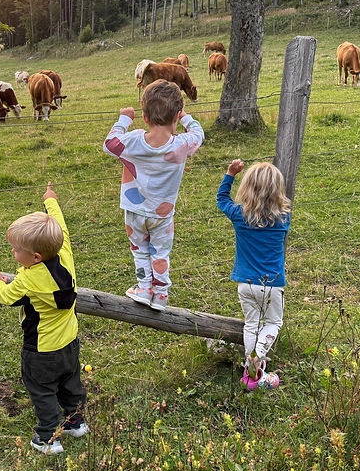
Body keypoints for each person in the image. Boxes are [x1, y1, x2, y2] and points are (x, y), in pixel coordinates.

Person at [0, 183, 87, 455]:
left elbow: (6, 296)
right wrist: (51, 201)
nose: (13, 254)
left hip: (41, 350)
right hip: (69, 342)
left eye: (17, 250)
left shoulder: (29, 279)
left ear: (36, 256)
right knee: (70, 382)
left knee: (42, 390)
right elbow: (60, 223)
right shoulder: (65, 253)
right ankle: (75, 423)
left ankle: (46, 438)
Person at [104, 79, 204, 311]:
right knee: (160, 253)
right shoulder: (182, 144)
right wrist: (185, 117)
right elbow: (198, 132)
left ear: (145, 118)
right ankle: (160, 295)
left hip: (134, 211)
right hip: (163, 214)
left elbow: (109, 144)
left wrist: (124, 119)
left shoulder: (133, 140)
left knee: (140, 251)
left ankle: (143, 288)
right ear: (176, 116)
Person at [216, 159, 292, 391]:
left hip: (245, 283)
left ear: (247, 188)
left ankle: (251, 376)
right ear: (278, 190)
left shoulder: (240, 216)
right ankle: (255, 359)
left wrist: (230, 174)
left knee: (251, 324)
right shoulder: (283, 219)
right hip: (270, 285)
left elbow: (222, 200)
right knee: (273, 322)